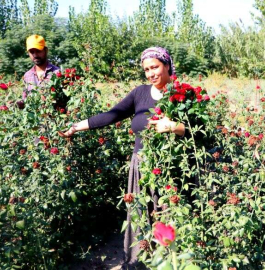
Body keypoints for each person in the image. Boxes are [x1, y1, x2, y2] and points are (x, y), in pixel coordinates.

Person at [59, 47, 185, 268]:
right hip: (142, 166)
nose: (150, 73)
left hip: (171, 169)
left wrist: (173, 126)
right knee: (141, 215)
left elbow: (197, 129)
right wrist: (76, 127)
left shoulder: (182, 94)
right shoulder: (140, 94)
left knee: (168, 216)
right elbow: (111, 115)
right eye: (146, 69)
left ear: (167, 65)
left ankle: (172, 263)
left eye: (154, 67)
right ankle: (140, 263)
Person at [23, 35, 60, 99]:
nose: (35, 55)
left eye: (38, 51)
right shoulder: (27, 76)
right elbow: (24, 101)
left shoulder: (57, 73)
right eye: (32, 52)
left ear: (46, 50)